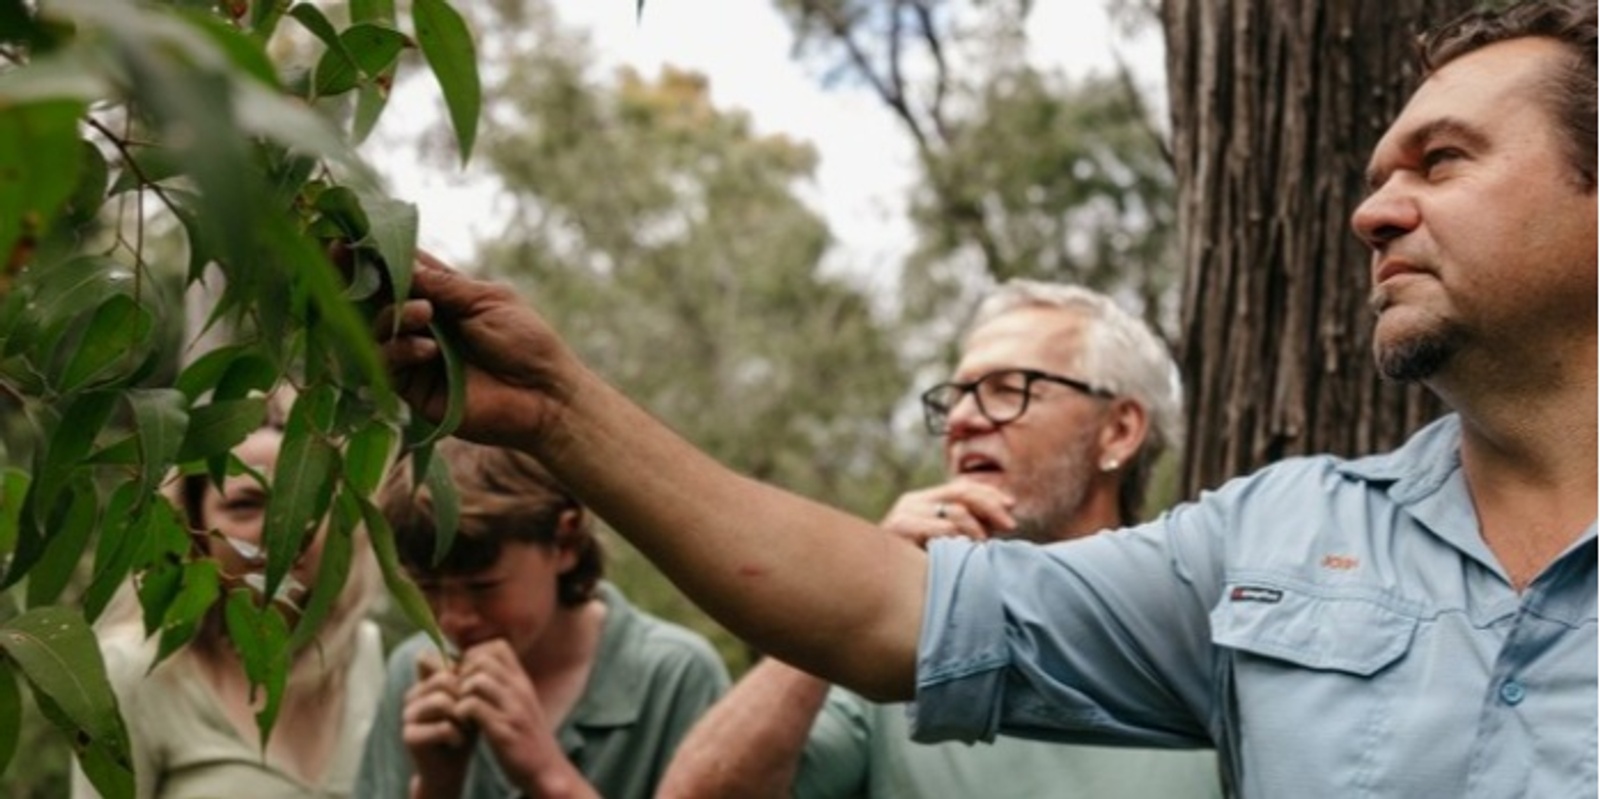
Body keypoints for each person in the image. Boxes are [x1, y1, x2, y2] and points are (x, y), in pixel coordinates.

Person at [377, 2, 1596, 795]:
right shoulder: (1280, 540)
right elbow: (888, 613)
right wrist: (557, 410)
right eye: (1378, 173)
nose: (1371, 211)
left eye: (1443, 161)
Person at [658, 281, 1222, 797]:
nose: (961, 420)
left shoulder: (1208, 626)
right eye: (956, 397)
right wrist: (851, 596)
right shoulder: (895, 637)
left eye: (1008, 390)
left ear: (1119, 430)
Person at [353, 437, 730, 799]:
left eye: (483, 587)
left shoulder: (674, 677)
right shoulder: (413, 674)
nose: (454, 619)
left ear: (565, 543)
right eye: (428, 589)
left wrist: (548, 776)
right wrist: (437, 789)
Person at [74, 422, 385, 799]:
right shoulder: (131, 670)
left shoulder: (360, 652)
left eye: (308, 500)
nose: (282, 529)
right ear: (191, 526)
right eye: (245, 505)